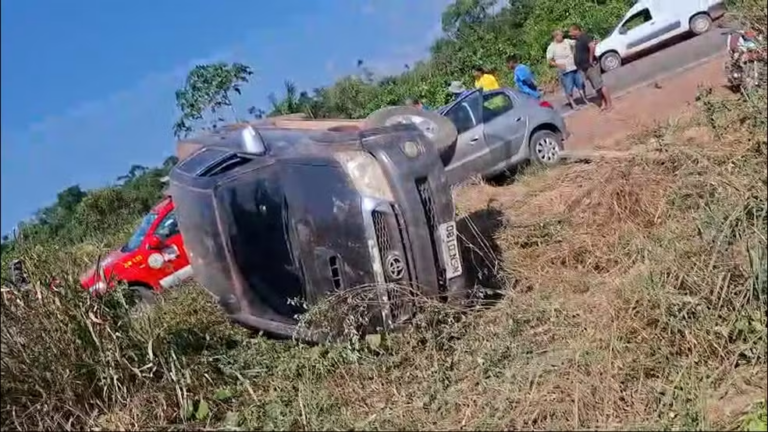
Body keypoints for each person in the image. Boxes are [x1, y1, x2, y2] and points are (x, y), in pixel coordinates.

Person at [569, 24, 612, 111]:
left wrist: (590, 59)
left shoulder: (584, 37)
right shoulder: (578, 40)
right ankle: (603, 103)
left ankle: (609, 104)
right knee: (596, 87)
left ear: (576, 30)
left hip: (591, 66)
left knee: (600, 85)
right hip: (585, 67)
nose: (570, 34)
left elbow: (592, 46)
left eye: (571, 32)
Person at [546, 29, 587, 109]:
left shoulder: (567, 41)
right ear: (555, 37)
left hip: (574, 67)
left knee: (581, 84)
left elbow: (576, 43)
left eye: (562, 35)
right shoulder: (551, 47)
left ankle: (585, 100)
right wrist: (558, 65)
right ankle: (573, 105)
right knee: (569, 88)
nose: (562, 37)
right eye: (560, 35)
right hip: (565, 71)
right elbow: (549, 61)